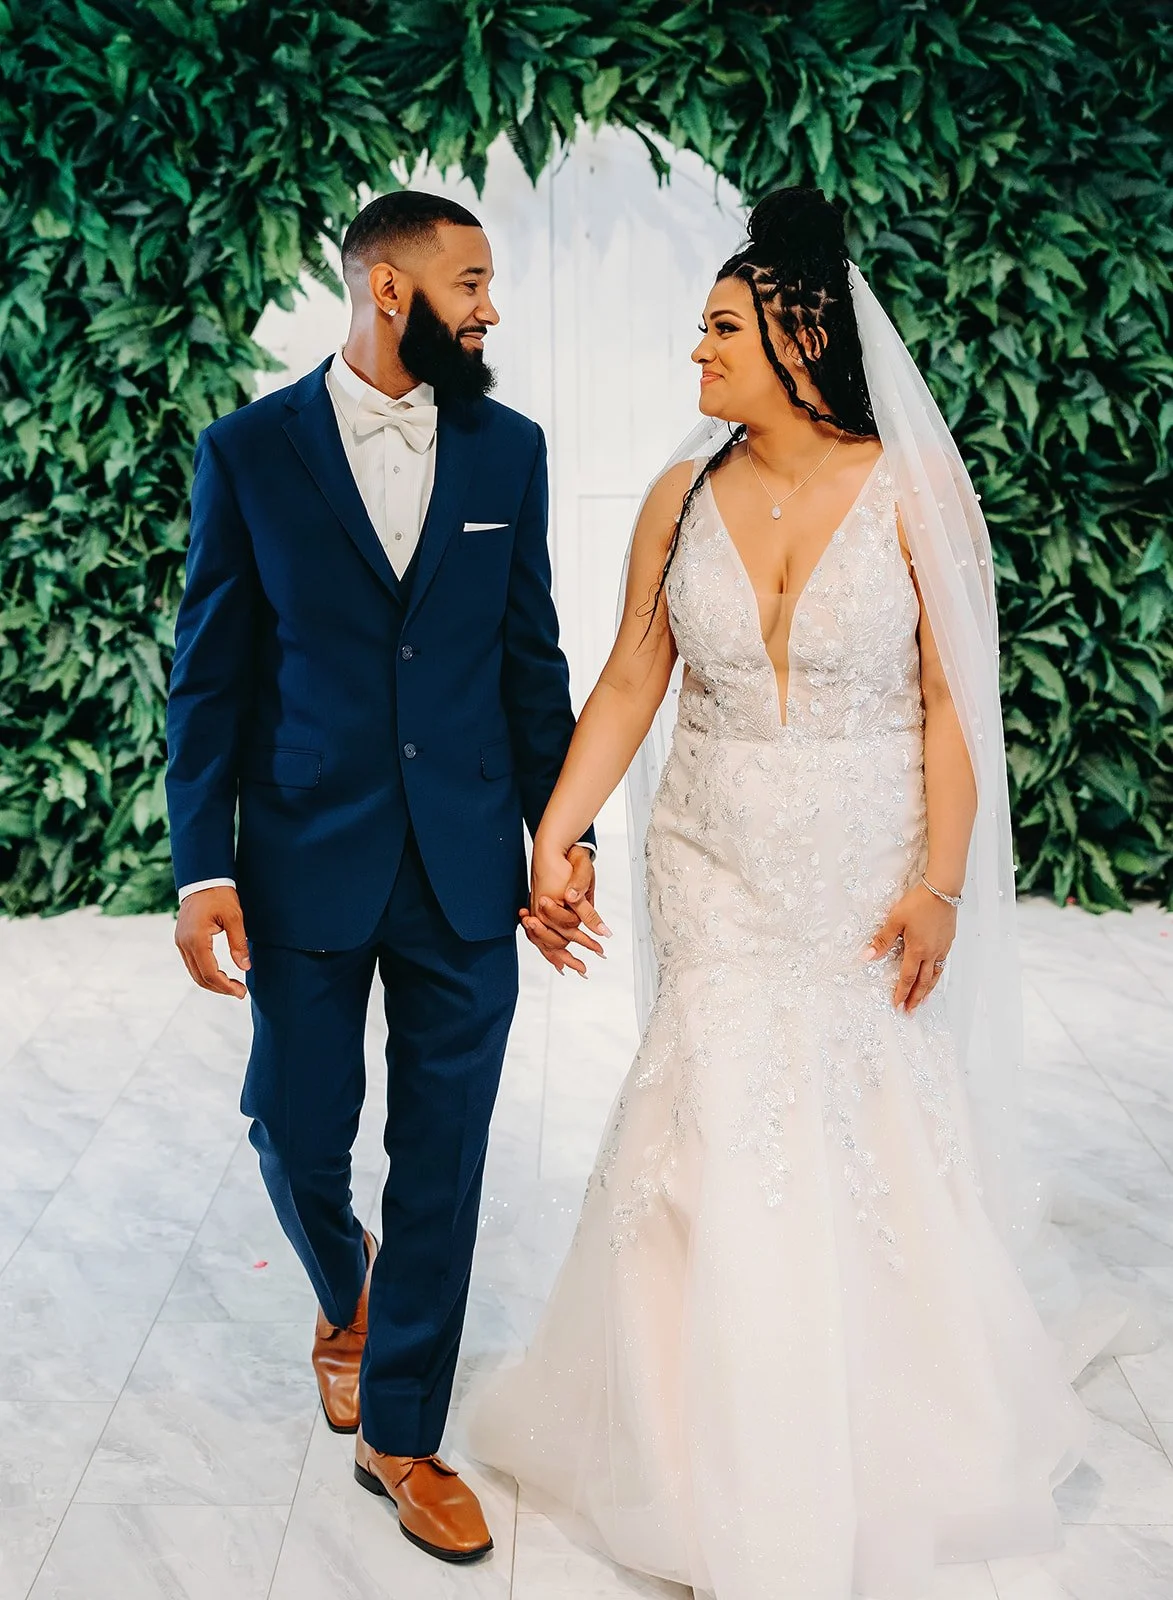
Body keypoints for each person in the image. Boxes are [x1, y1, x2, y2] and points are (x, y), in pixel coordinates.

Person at [466, 188, 1089, 1600]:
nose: (697, 355)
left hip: (864, 860)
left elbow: (950, 705)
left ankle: (878, 1425)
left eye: (721, 331)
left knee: (861, 1113)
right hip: (715, 852)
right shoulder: (681, 497)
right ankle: (699, 1448)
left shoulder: (919, 494)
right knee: (711, 1102)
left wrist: (938, 884)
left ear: (803, 335)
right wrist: (552, 836)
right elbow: (634, 676)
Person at [165, 190, 597, 1564]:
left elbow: (532, 664)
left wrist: (562, 831)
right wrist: (199, 866)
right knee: (293, 1125)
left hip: (467, 863)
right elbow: (209, 679)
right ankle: (344, 1289)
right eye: (470, 280)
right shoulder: (246, 454)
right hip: (302, 853)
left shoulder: (508, 452)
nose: (489, 306)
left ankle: (400, 1430)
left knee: (447, 1155)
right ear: (389, 289)